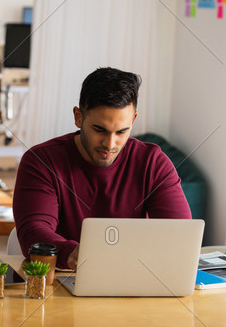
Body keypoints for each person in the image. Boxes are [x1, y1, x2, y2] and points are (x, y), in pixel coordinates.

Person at [13, 67, 191, 270]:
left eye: (122, 131)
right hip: (64, 279)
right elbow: (33, 232)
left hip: (133, 280)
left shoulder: (153, 163)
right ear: (78, 117)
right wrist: (73, 253)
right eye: (99, 130)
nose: (110, 143)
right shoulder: (40, 161)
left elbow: (181, 235)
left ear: (133, 120)